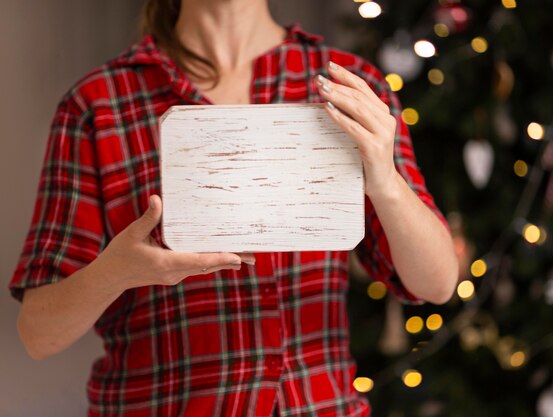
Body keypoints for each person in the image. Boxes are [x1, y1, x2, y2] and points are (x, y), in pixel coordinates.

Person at [9, 0, 458, 415]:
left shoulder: (348, 86)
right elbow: (39, 334)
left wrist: (386, 182)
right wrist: (117, 272)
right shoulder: (97, 104)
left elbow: (437, 284)